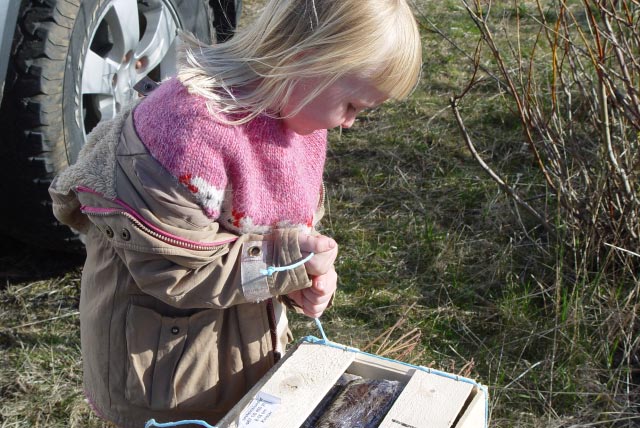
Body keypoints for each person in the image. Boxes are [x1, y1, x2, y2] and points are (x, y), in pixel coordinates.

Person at [49, 0, 422, 426]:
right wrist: (288, 263)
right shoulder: (185, 133)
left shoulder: (294, 116)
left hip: (233, 352)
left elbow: (269, 236)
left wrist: (301, 280)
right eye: (353, 106)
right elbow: (176, 272)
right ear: (306, 61)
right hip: (164, 377)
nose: (350, 123)